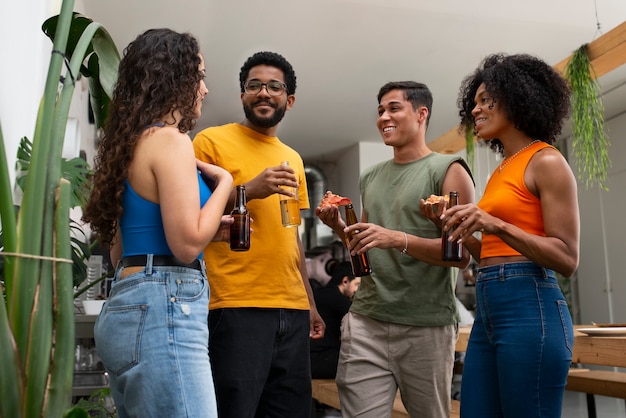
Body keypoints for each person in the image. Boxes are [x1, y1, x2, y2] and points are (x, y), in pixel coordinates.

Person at [82, 28, 233, 418]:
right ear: (176, 78)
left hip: (128, 303)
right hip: (165, 305)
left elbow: (120, 251)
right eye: (199, 76)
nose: (204, 89)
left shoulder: (129, 144)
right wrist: (226, 185)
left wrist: (209, 229)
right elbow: (185, 246)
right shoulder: (171, 140)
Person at [316, 81, 475, 418]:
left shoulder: (449, 169)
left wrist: (396, 238)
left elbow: (460, 255)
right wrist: (339, 228)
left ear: (421, 114)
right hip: (366, 320)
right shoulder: (370, 177)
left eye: (393, 108)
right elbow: (367, 246)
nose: (383, 117)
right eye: (379, 111)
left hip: (426, 325)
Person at [443, 53, 579, 418]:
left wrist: (495, 223)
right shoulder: (503, 169)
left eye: (487, 100)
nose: (475, 110)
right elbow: (489, 251)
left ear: (519, 99)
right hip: (490, 299)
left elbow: (567, 258)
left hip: (528, 303)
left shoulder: (546, 161)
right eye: (474, 103)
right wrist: (454, 224)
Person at [193, 51, 325, 418]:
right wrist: (248, 190)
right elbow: (189, 217)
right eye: (254, 85)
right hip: (235, 305)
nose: (264, 93)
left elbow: (291, 236)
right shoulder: (210, 142)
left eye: (275, 87)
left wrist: (310, 301)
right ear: (242, 95)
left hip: (293, 309)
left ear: (289, 99)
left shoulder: (293, 159)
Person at [310, 261, 361, 379]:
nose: (358, 290)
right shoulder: (339, 301)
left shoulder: (322, 294)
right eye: (357, 284)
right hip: (321, 360)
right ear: (345, 281)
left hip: (309, 359)